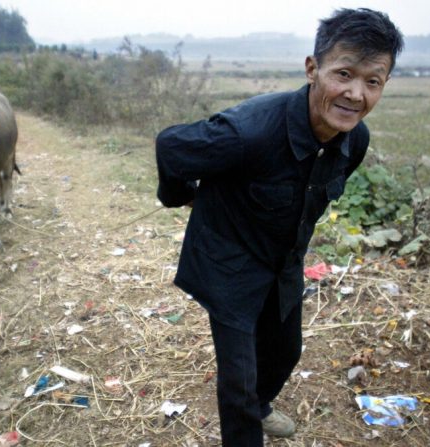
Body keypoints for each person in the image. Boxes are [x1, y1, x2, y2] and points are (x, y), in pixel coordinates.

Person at [155, 8, 403, 445]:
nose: (354, 94)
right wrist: (182, 196)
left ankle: (260, 405)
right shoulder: (247, 132)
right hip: (228, 261)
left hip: (282, 261)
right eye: (343, 73)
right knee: (240, 381)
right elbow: (171, 147)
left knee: (286, 353)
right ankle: (246, 423)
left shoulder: (353, 140)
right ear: (313, 69)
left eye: (372, 81)